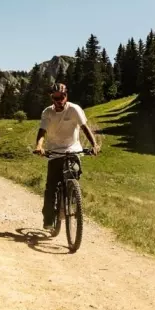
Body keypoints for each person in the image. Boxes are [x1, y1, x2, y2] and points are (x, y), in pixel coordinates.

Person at [33, 83, 99, 229]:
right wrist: (39, 146)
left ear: (66, 96)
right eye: (56, 97)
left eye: (62, 97)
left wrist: (94, 145)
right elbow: (42, 131)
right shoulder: (47, 112)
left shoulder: (74, 109)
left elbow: (84, 128)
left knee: (73, 177)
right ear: (52, 98)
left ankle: (70, 198)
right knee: (50, 187)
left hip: (73, 150)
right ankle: (49, 218)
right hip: (54, 151)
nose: (59, 100)